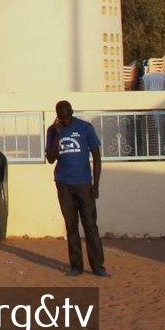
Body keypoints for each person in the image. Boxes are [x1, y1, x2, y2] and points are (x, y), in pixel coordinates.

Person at [44, 99, 106, 277]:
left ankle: (98, 266)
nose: (65, 121)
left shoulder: (85, 128)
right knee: (71, 226)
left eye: (67, 117)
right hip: (63, 184)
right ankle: (76, 266)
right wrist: (57, 135)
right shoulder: (52, 130)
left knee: (90, 225)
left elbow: (97, 157)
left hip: (84, 184)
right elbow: (51, 159)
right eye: (61, 118)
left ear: (72, 113)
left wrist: (96, 185)